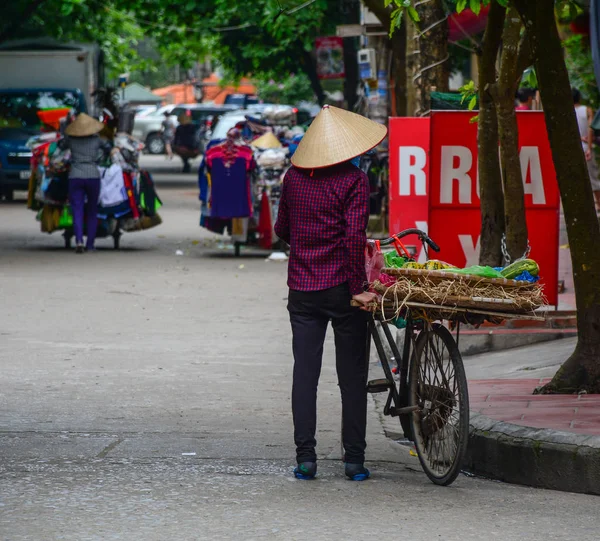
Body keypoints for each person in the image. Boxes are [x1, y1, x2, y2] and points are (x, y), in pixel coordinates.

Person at [274, 104, 386, 481]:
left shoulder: (293, 178)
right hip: (343, 290)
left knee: (304, 374)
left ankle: (306, 460)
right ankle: (354, 461)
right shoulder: (353, 180)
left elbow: (282, 229)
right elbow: (353, 239)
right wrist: (359, 289)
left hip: (302, 291)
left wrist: (306, 247)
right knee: (351, 376)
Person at [64, 113, 109, 253]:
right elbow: (108, 148)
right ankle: (90, 244)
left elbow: (60, 145)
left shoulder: (71, 140)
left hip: (75, 176)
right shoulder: (97, 140)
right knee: (92, 211)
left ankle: (78, 241)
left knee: (77, 210)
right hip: (93, 176)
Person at [573, 88, 600, 211]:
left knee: (576, 178)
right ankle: (599, 204)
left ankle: (580, 206)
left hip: (573, 148)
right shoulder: (587, 110)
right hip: (585, 146)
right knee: (593, 178)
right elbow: (590, 129)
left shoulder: (565, 113)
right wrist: (589, 147)